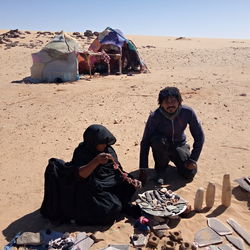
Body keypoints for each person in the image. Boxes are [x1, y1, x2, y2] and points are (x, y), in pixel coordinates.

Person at [70, 124, 142, 225]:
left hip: (110, 182)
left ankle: (124, 205)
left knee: (130, 183)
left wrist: (130, 180)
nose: (105, 145)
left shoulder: (108, 150)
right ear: (93, 142)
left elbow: (118, 169)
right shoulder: (81, 152)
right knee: (111, 208)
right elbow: (80, 176)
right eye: (101, 143)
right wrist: (95, 161)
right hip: (93, 186)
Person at [139, 87, 205, 184]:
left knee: (189, 174)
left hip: (179, 145)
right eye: (166, 101)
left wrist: (193, 159)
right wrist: (143, 168)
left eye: (173, 101)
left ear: (179, 101)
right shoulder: (155, 116)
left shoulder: (188, 112)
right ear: (160, 103)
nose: (170, 104)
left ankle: (176, 161)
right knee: (157, 140)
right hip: (162, 146)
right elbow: (145, 141)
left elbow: (199, 136)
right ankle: (160, 170)